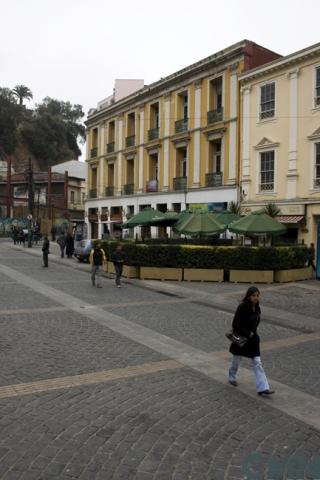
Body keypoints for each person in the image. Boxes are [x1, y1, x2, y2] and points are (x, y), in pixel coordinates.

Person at [228, 286, 274, 396]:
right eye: (253, 295)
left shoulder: (257, 308)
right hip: (242, 339)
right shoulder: (242, 307)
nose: (256, 298)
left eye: (257, 295)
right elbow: (235, 324)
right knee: (236, 360)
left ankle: (263, 388)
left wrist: (253, 334)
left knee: (257, 363)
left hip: (253, 340)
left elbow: (256, 322)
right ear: (248, 296)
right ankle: (232, 376)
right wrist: (247, 333)